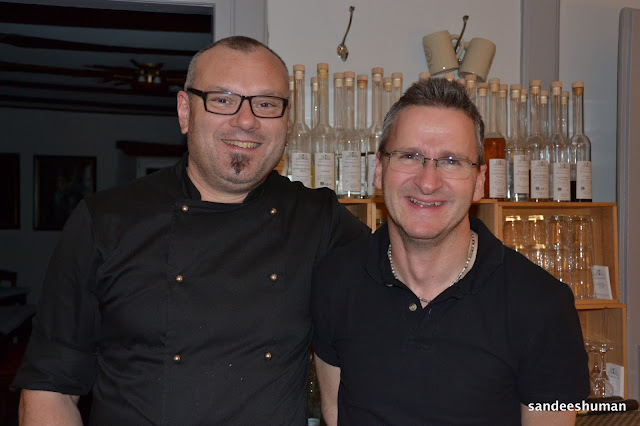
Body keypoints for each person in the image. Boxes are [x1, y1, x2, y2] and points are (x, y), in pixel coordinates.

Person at [13, 36, 369, 425]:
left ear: (287, 120)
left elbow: (402, 275)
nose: (246, 120)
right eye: (222, 99)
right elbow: (50, 389)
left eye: (266, 104)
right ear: (185, 111)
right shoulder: (105, 221)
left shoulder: (319, 219)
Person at [311, 78, 590, 425]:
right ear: (379, 171)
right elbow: (336, 413)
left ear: (480, 182)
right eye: (410, 156)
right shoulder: (335, 281)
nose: (428, 182)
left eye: (452, 161)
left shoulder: (542, 305)